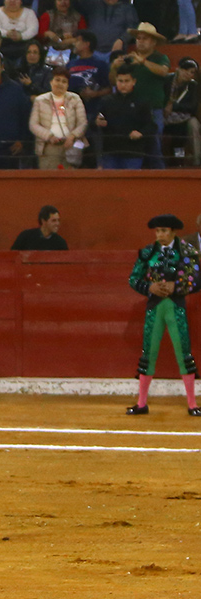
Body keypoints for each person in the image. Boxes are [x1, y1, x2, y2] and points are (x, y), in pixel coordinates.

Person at [128, 214, 201, 417]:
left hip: (176, 307)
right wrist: (149, 287)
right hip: (155, 307)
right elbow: (133, 279)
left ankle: (192, 404)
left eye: (164, 231)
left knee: (183, 353)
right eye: (157, 231)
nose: (160, 235)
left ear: (173, 232)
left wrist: (176, 286)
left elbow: (196, 280)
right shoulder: (148, 252)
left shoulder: (186, 251)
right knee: (148, 353)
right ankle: (141, 403)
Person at [109, 23, 169, 170]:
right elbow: (113, 81)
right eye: (138, 38)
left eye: (145, 38)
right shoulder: (129, 60)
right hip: (132, 109)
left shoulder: (160, 57)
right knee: (132, 144)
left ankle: (159, 174)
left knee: (154, 143)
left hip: (154, 108)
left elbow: (163, 72)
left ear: (153, 42)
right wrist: (114, 67)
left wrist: (143, 61)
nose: (140, 41)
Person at [96, 65, 155, 170]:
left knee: (131, 185)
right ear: (116, 81)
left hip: (133, 152)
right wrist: (97, 122)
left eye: (127, 81)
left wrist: (140, 133)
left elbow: (151, 126)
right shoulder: (106, 101)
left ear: (134, 81)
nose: (123, 85)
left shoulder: (142, 102)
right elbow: (94, 122)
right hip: (110, 152)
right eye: (120, 81)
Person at [29, 66, 88, 169]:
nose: (60, 84)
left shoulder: (75, 99)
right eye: (57, 80)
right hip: (48, 148)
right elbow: (33, 125)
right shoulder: (40, 100)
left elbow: (82, 123)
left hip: (70, 147)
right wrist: (49, 136)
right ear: (51, 82)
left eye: (64, 81)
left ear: (68, 84)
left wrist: (72, 136)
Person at [163, 58, 200, 167]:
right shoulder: (167, 80)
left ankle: (186, 159)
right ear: (178, 69)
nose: (188, 74)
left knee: (190, 127)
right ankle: (156, 160)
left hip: (184, 117)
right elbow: (160, 97)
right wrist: (165, 107)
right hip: (164, 114)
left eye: (192, 72)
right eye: (185, 70)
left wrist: (173, 106)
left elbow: (192, 107)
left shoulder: (193, 85)